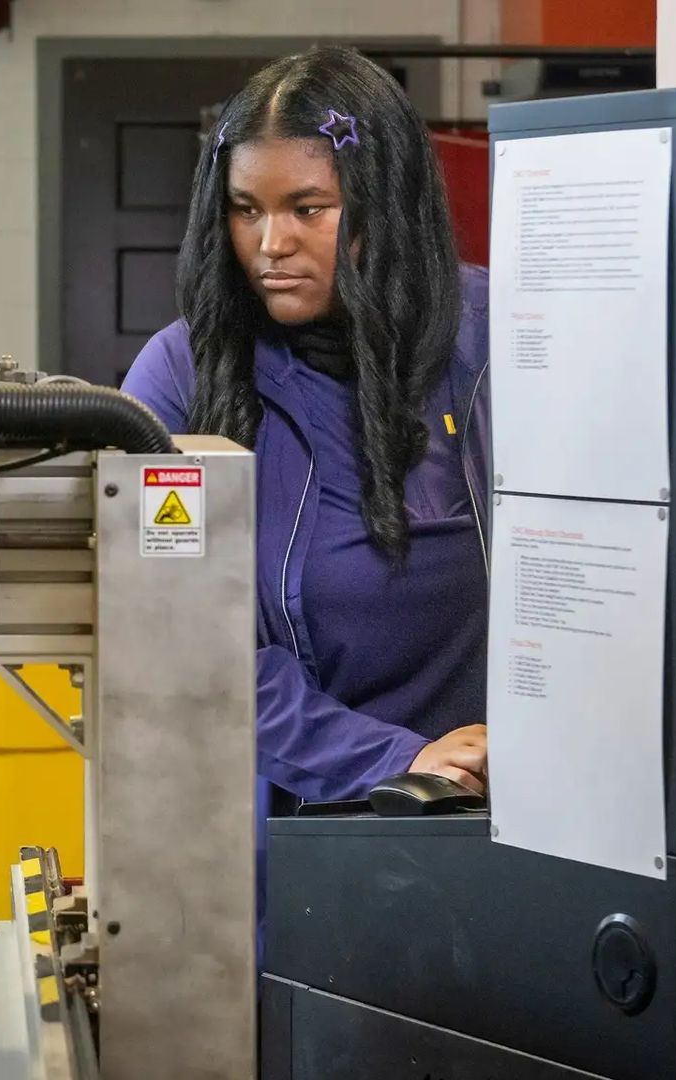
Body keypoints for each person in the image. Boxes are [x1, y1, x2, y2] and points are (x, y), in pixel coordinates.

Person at [121, 48, 491, 891]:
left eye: (309, 208)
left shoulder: (495, 343)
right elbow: (184, 648)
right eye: (246, 210)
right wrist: (399, 760)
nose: (270, 244)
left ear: (382, 206)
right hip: (287, 839)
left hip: (499, 821)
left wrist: (517, 746)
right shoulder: (183, 377)